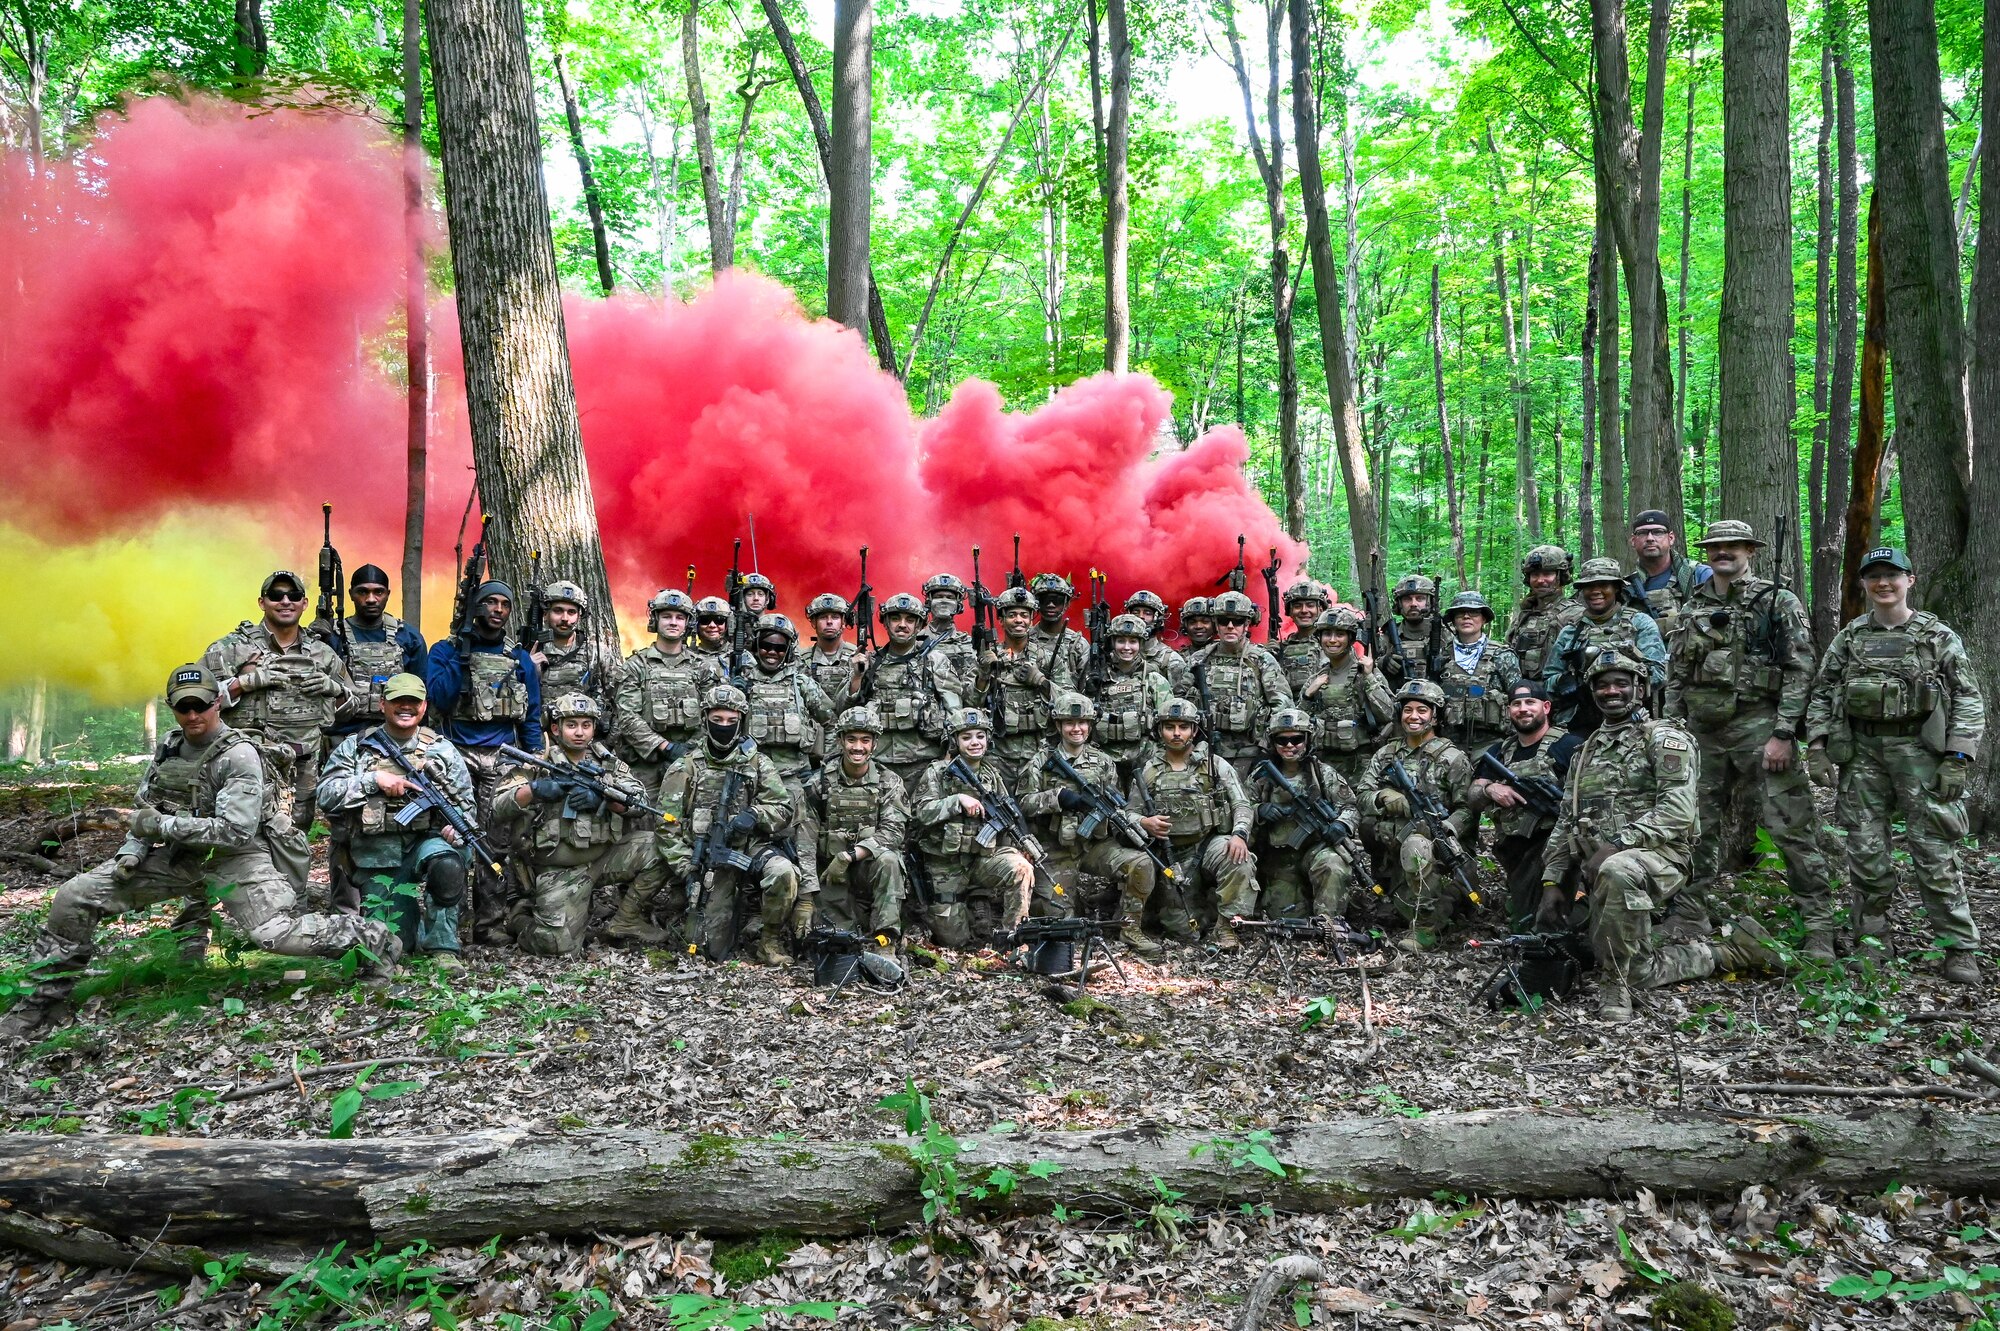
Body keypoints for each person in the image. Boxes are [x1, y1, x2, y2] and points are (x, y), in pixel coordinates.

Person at [0, 666, 398, 1044]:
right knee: (75, 895)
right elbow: (146, 812)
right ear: (172, 707)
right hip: (182, 856)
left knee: (274, 935)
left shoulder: (237, 755)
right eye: (183, 706)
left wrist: (159, 828)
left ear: (217, 703)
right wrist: (132, 852)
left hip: (238, 857)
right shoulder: (169, 749)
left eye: (201, 705)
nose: (193, 715)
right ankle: (43, 1002)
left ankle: (373, 941)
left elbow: (234, 830)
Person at [1541, 651, 1784, 1023]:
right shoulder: (1584, 750)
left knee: (1618, 871)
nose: (1611, 692)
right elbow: (1565, 819)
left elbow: (1677, 811)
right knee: (1618, 955)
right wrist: (1553, 879)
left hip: (1661, 856)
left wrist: (1618, 844)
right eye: (1603, 685)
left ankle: (1616, 983)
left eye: (1621, 684)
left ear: (1639, 688)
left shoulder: (1665, 738)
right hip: (1599, 865)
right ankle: (1728, 952)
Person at [1806, 547, 1984, 983]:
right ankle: (1872, 942)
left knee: (1935, 853)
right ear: (1864, 584)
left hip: (1921, 755)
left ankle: (1959, 947)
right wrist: (1816, 744)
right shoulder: (1849, 637)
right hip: (1862, 754)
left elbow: (1968, 696)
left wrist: (1958, 757)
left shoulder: (1936, 635)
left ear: (1910, 580)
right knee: (1866, 854)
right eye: (1874, 577)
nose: (1883, 584)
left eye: (1892, 576)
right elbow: (1823, 691)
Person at [1665, 519, 1835, 957]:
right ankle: (1689, 910)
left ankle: (1817, 923)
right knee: (1693, 824)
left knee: (1791, 824)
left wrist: (1783, 733)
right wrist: (1671, 727)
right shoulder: (1692, 607)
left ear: (1750, 550)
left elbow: (1800, 669)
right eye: (1715, 547)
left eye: (1733, 546)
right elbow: (1677, 674)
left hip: (1758, 725)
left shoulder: (1775, 599)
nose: (1723, 553)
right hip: (1701, 731)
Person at [203, 570, 358, 892]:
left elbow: (355, 703)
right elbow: (196, 701)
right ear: (262, 602)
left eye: (292, 596)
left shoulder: (323, 654)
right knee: (241, 833)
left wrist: (332, 688)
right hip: (247, 765)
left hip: (302, 768)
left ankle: (288, 912)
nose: (284, 601)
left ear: (304, 604)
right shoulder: (232, 649)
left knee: (293, 837)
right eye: (276, 595)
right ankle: (242, 910)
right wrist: (243, 683)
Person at [315, 672, 472, 966]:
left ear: (424, 707)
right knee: (393, 946)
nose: (406, 708)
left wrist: (456, 829)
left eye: (413, 702)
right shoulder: (356, 747)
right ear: (382, 704)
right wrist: (373, 780)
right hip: (377, 854)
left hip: (427, 843)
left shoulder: (441, 749)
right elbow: (325, 794)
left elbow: (466, 805)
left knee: (448, 866)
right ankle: (408, 937)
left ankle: (442, 947)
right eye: (398, 701)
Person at [493, 693, 658, 956]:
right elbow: (497, 808)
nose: (579, 733)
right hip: (558, 870)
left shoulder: (608, 764)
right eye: (571, 725)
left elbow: (640, 802)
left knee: (660, 849)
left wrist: (604, 799)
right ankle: (520, 917)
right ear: (556, 728)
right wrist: (534, 790)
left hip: (606, 857)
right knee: (556, 946)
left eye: (586, 725)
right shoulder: (538, 762)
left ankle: (626, 921)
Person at [425, 579, 543, 943]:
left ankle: (488, 924)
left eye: (503, 605)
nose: (497, 610)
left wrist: (536, 755)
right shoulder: (445, 651)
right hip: (456, 753)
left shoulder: (518, 658)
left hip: (504, 756)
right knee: (452, 837)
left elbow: (531, 713)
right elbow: (439, 699)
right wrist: (462, 656)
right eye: (489, 602)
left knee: (496, 843)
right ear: (475, 607)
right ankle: (446, 922)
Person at [608, 589, 726, 944]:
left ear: (688, 624)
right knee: (643, 834)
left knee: (687, 830)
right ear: (655, 620)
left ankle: (678, 907)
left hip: (689, 765)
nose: (673, 622)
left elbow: (715, 716)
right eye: (666, 616)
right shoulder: (637, 665)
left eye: (679, 617)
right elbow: (626, 715)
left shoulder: (702, 669)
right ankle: (629, 913)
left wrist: (690, 754)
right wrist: (661, 745)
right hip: (646, 764)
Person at [661, 685, 802, 964]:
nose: (724, 727)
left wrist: (756, 814)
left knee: (784, 873)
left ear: (741, 722)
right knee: (709, 949)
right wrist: (686, 868)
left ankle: (769, 941)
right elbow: (666, 827)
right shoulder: (685, 766)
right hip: (709, 860)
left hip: (750, 848)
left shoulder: (758, 763)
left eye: (731, 721)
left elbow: (783, 808)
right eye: (717, 720)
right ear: (705, 720)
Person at [1020, 693, 1159, 955]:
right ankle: (1074, 904)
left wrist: (1128, 825)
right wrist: (1057, 798)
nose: (1076, 729)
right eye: (1069, 723)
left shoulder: (1103, 762)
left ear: (1090, 725)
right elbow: (1023, 803)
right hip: (1056, 850)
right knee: (1060, 923)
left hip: (1095, 846)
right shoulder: (1041, 761)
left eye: (1082, 722)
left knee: (1141, 863)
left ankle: (1130, 928)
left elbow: (1117, 806)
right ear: (1059, 726)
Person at [1358, 680, 1473, 952]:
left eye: (1422, 710)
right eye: (1408, 710)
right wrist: (1384, 796)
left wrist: (1446, 828)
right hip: (1393, 852)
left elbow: (1468, 810)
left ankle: (1424, 929)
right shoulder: (1386, 753)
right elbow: (1362, 795)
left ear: (1435, 716)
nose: (1414, 717)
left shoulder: (1453, 758)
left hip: (1437, 855)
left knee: (1417, 846)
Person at [1130, 698, 1255, 948]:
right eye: (1170, 727)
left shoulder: (1214, 764)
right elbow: (1128, 813)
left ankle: (1227, 927)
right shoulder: (1149, 771)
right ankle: (1200, 907)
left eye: (1183, 727)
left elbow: (1241, 804)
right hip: (1170, 854)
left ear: (1194, 730)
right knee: (1183, 930)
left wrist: (1239, 834)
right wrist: (1144, 822)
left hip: (1208, 843)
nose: (1176, 733)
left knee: (1239, 860)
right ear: (1160, 730)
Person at [911, 708, 1038, 948]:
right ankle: (969, 906)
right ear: (954, 741)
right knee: (953, 940)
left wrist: (1021, 846)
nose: (974, 743)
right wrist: (956, 800)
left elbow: (1006, 819)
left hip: (981, 860)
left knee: (1022, 868)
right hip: (945, 864)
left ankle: (1012, 939)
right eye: (966, 737)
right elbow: (922, 813)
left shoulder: (992, 774)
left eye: (980, 736)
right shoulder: (937, 773)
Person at [739, 613, 840, 903]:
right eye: (766, 646)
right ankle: (751, 906)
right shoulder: (742, 682)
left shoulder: (801, 684)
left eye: (779, 647)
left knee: (802, 845)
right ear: (756, 645)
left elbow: (832, 721)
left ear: (789, 650)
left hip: (792, 781)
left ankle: (802, 908)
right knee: (748, 843)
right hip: (750, 781)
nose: (771, 652)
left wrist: (826, 765)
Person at [1468, 681, 1582, 932]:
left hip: (1557, 847)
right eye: (1516, 704)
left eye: (1530, 702)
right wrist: (1490, 789)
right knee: (1525, 918)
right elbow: (1473, 795)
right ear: (1509, 710)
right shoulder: (1500, 751)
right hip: (1514, 849)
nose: (1523, 709)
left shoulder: (1569, 746)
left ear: (1546, 707)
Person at [799, 707, 910, 957]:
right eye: (851, 740)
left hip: (867, 869)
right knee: (838, 945)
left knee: (891, 861)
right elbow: (805, 839)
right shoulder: (819, 783)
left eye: (865, 740)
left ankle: (886, 943)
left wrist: (850, 855)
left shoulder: (888, 782)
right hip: (830, 872)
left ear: (874, 744)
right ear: (840, 741)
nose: (857, 747)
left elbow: (893, 832)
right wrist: (806, 896)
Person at [1247, 709, 1361, 925]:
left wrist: (1341, 824)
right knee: (1285, 918)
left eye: (1297, 739)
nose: (1290, 746)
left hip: (1316, 851)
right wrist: (1259, 810)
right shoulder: (1262, 777)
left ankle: (1330, 925)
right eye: (1282, 740)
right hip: (1278, 858)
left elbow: (1350, 806)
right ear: (1273, 742)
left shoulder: (1322, 773)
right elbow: (1240, 808)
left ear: (1308, 739)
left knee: (1334, 863)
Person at [857, 592, 966, 791]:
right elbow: (843, 710)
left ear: (920, 625)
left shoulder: (935, 661)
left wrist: (948, 757)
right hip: (878, 765)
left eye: (909, 619)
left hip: (924, 764)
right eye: (895, 618)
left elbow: (955, 715)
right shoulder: (870, 662)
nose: (902, 624)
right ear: (885, 622)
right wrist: (856, 677)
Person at [1544, 558, 1666, 735]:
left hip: (1632, 721)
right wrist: (1566, 682)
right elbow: (1548, 679)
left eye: (1603, 585)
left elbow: (1658, 675)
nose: (1595, 591)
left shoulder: (1639, 623)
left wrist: (1616, 682)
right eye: (1589, 586)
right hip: (1578, 721)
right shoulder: (1571, 631)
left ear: (1616, 588)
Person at [1188, 589, 1294, 778]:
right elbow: (1181, 701)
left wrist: (1265, 747)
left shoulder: (1261, 659)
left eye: (1237, 621)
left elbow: (1282, 706)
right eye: (1223, 621)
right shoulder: (1199, 659)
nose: (1230, 626)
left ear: (1246, 625)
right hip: (1204, 750)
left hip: (1249, 753)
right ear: (1216, 624)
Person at [327, 563, 429, 737]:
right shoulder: (333, 636)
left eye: (378, 592)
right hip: (342, 736)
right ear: (351, 594)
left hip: (395, 737)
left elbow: (421, 693)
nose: (371, 599)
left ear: (387, 594)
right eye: (363, 592)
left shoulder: (408, 637)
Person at [1297, 607, 1395, 786]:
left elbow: (1389, 714)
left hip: (1361, 766)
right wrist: (1308, 695)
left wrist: (1369, 679)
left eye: (1340, 634)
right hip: (1324, 765)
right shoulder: (1316, 678)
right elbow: (1298, 726)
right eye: (1327, 634)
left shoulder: (1365, 672)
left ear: (1351, 638)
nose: (1332, 640)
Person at [974, 586, 1056, 784]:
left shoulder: (1047, 658)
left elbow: (1069, 700)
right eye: (1012, 615)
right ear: (1001, 620)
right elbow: (970, 702)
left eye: (1024, 615)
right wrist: (984, 675)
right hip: (997, 755)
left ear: (1031, 620)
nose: (1019, 620)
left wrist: (1041, 682)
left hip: (1039, 753)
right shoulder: (987, 657)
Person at [1084, 614, 1174, 775]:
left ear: (1141, 644)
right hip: (1105, 763)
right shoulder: (1097, 679)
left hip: (1146, 761)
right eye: (1121, 641)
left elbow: (1169, 724)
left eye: (1133, 641)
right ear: (1112, 643)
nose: (1126, 647)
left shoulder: (1153, 680)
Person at [1435, 591, 1521, 756]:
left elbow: (1517, 698)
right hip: (1447, 743)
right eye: (1460, 613)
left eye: (1474, 612)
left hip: (1493, 743)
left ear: (1484, 619)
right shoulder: (1441, 656)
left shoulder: (1502, 655)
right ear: (1453, 619)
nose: (1467, 617)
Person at [1625, 509, 1712, 639]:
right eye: (1642, 533)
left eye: (1658, 532)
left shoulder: (1699, 575)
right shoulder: (1629, 587)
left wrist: (1679, 620)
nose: (1650, 538)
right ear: (1633, 540)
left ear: (1670, 538)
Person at [1504, 546, 1578, 683]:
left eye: (1547, 574)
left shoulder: (1575, 615)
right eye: (1535, 575)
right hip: (1523, 698)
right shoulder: (1523, 617)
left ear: (1561, 576)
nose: (1540, 580)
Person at [530, 580, 608, 709]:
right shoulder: (532, 651)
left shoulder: (597, 653)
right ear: (545, 614)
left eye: (571, 612)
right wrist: (528, 670)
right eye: (558, 611)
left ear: (579, 616)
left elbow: (621, 699)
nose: (565, 618)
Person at [802, 592, 862, 748]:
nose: (829, 622)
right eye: (823, 617)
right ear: (814, 622)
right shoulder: (801, 660)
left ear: (843, 622)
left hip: (850, 741)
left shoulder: (858, 658)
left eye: (835, 617)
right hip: (811, 740)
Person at [1377, 574, 1448, 687]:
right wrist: (1383, 663)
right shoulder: (1388, 635)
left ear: (1430, 602)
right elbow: (1367, 667)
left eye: (1420, 598)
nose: (1413, 604)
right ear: (1399, 604)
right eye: (1407, 599)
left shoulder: (1446, 634)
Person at [1122, 589, 1193, 697]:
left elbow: (1179, 701)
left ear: (1158, 619)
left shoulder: (1170, 659)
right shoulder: (1116, 654)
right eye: (1136, 612)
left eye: (1147, 613)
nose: (1141, 617)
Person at [1027, 573, 1091, 689]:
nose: (1051, 605)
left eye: (1057, 600)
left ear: (1066, 604)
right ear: (1036, 603)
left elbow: (1085, 692)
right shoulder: (1024, 639)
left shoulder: (1078, 645)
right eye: (1045, 600)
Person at [1274, 580, 1334, 696]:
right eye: (1297, 606)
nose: (1304, 610)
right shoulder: (1281, 649)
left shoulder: (1334, 643)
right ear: (1290, 611)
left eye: (1310, 605)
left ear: (1320, 609)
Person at [923, 572, 980, 689]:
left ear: (958, 604)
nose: (944, 601)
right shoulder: (915, 641)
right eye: (938, 597)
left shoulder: (970, 644)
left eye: (950, 598)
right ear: (929, 601)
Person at [691, 596, 736, 669]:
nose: (712, 625)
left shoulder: (738, 656)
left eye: (719, 620)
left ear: (727, 624)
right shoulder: (687, 655)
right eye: (705, 620)